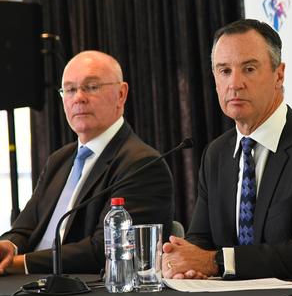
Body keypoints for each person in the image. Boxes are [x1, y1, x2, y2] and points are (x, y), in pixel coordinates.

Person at [162, 19, 292, 280]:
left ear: (279, 74)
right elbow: (202, 240)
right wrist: (184, 259)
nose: (235, 83)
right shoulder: (216, 154)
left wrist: (215, 262)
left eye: (248, 69)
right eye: (224, 71)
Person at [0, 51, 174, 275]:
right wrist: (8, 246)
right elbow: (25, 228)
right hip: (29, 286)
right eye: (70, 90)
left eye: (91, 87)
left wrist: (17, 264)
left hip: (81, 292)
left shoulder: (142, 164)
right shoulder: (59, 159)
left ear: (121, 94)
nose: (78, 97)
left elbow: (103, 251)